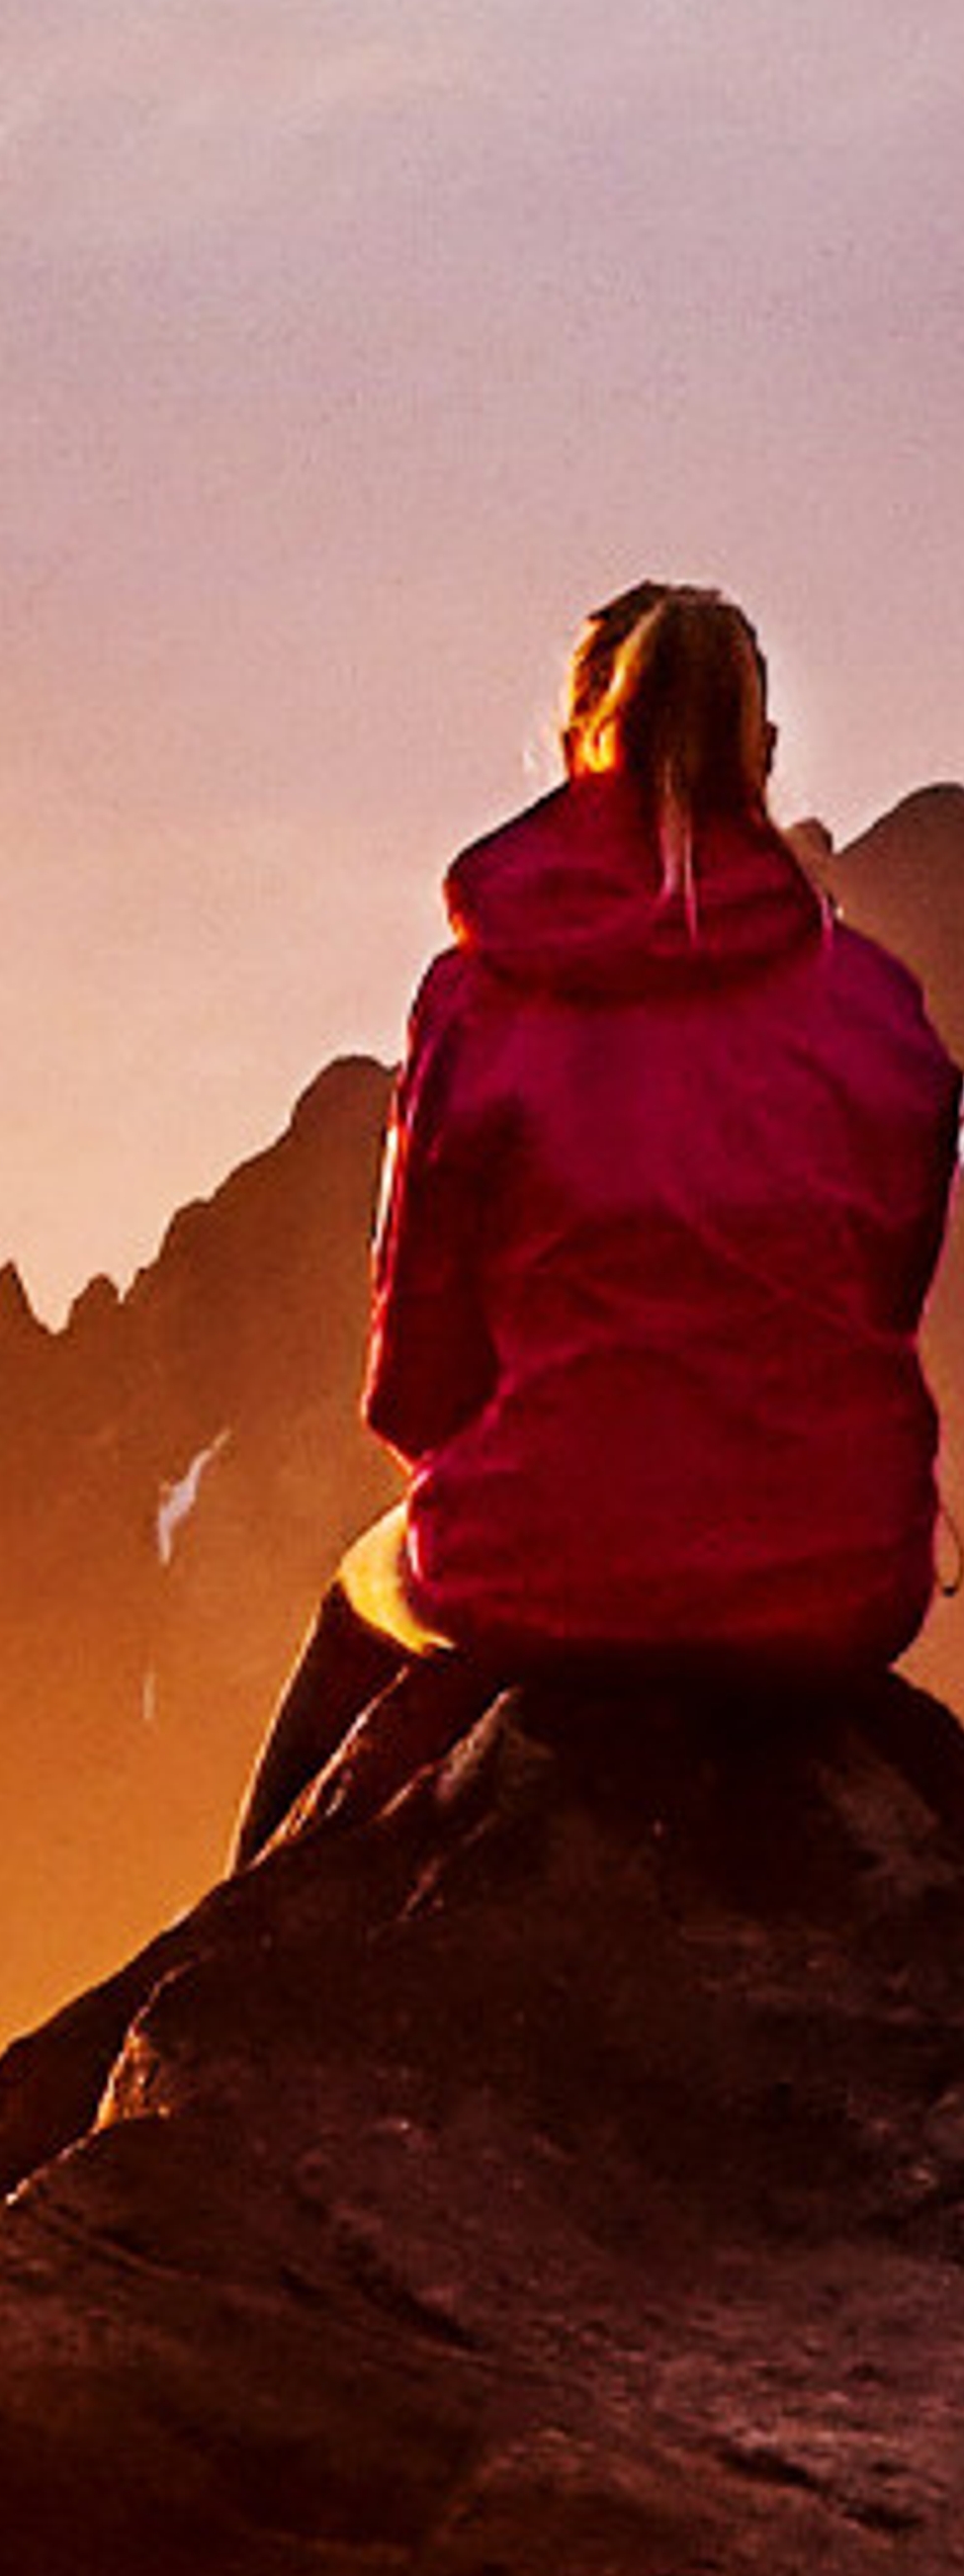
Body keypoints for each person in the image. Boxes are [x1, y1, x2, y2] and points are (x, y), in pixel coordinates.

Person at [236, 579, 961, 1860]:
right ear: (763, 752)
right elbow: (884, 1291)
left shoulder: (480, 998)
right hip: (834, 1579)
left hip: (543, 1561)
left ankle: (231, 1939)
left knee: (352, 1615)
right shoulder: (880, 1010)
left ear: (580, 740)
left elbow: (419, 1370)